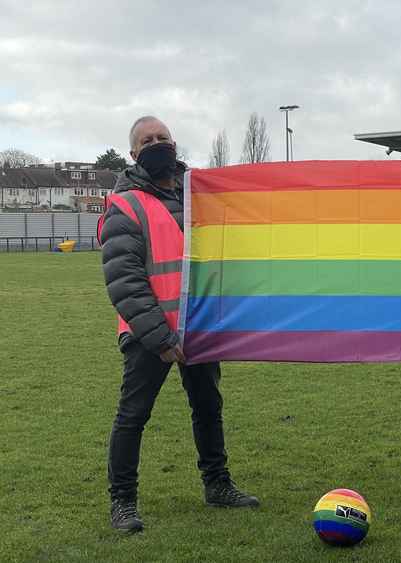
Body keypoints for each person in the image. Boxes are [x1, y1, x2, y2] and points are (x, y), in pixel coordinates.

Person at [99, 116, 259, 533]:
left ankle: (217, 484)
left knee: (208, 407)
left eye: (162, 138)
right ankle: (123, 503)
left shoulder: (197, 196)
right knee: (133, 415)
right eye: (146, 141)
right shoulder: (125, 204)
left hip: (199, 329)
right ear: (133, 155)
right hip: (148, 333)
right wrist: (161, 337)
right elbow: (126, 282)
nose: (156, 144)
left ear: (174, 143)